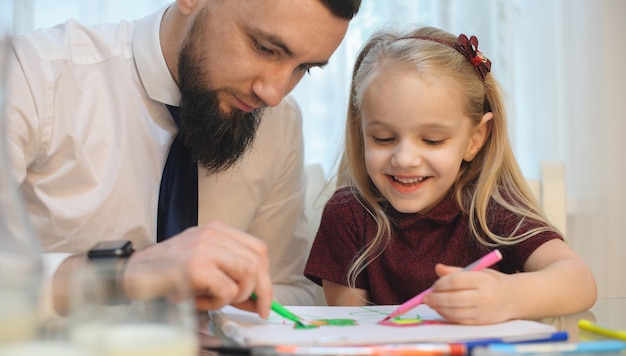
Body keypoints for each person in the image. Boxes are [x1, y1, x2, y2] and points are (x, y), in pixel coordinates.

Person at [4, 0, 360, 319]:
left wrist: (220, 301)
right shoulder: (34, 76)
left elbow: (289, 290)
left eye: (304, 68)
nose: (274, 92)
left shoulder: (280, 122)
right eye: (264, 48)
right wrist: (127, 275)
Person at [304, 26, 597, 325]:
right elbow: (350, 330)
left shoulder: (490, 207)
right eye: (382, 138)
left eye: (432, 140)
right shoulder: (348, 215)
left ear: (475, 139)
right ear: (360, 130)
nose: (404, 159)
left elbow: (580, 281)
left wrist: (508, 296)